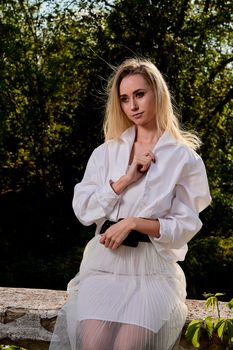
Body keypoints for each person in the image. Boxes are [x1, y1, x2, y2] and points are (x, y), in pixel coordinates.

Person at [49, 57, 211, 350]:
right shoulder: (105, 153)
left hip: (152, 272)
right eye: (124, 98)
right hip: (103, 267)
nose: (133, 106)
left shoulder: (183, 158)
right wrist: (125, 179)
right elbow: (84, 210)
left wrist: (133, 222)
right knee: (93, 346)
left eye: (139, 94)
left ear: (157, 95)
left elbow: (186, 226)